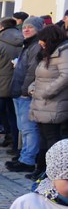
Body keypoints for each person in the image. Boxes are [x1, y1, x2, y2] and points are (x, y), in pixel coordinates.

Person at [6, 16, 46, 174]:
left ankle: (28, 160)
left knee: (29, 129)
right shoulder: (28, 45)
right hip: (19, 91)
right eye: (24, 27)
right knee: (23, 128)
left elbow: (31, 71)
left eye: (30, 27)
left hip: (25, 94)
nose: (26, 29)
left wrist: (23, 91)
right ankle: (24, 156)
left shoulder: (35, 46)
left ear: (38, 29)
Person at [28, 25, 68, 175]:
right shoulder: (49, 53)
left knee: (52, 138)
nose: (40, 43)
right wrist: (32, 88)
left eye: (42, 40)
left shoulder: (64, 53)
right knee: (43, 138)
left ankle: (52, 172)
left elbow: (65, 76)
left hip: (54, 103)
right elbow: (39, 76)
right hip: (42, 102)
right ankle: (41, 169)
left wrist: (47, 92)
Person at [0, 17, 24, 159]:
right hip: (16, 85)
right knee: (14, 119)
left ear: (1, 28)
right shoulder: (24, 42)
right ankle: (16, 148)